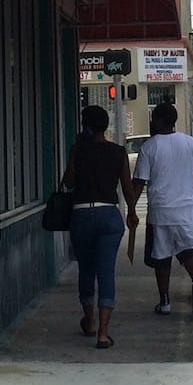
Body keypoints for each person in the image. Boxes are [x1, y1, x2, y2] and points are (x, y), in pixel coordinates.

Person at [60, 104, 136, 348]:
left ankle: (90, 321)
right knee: (106, 272)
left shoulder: (78, 150)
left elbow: (68, 182)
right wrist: (132, 212)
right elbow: (127, 187)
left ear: (86, 126)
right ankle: (103, 333)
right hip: (109, 215)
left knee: (86, 269)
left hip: (82, 215)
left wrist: (78, 153)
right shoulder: (118, 152)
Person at [128, 101, 193, 315]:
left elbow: (139, 182)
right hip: (186, 212)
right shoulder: (190, 143)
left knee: (161, 258)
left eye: (152, 118)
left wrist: (131, 209)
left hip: (160, 212)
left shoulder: (149, 147)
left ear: (157, 120)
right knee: (192, 250)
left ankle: (164, 302)